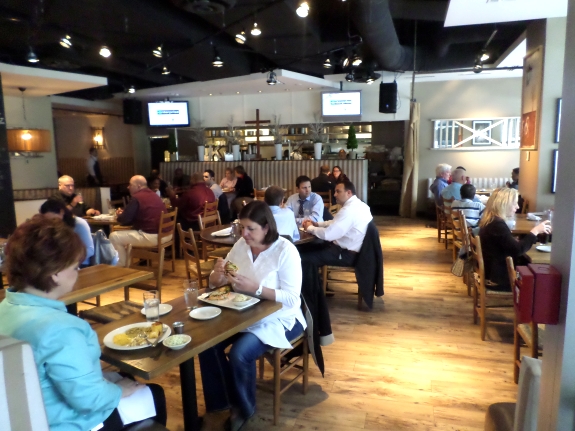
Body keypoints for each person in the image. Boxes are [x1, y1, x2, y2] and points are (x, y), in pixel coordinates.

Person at [0, 216, 167, 431]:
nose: (78, 272)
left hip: (17, 416)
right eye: (75, 267)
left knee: (124, 378)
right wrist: (119, 390)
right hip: (65, 422)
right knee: (153, 393)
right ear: (56, 272)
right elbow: (89, 399)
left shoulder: (5, 307)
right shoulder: (59, 328)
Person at [199, 201, 305, 430]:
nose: (244, 234)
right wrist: (216, 277)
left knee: (239, 353)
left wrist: (256, 289)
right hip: (241, 312)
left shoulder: (285, 251)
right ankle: (220, 402)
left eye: (250, 229)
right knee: (205, 344)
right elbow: (221, 281)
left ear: (266, 228)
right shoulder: (240, 245)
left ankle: (244, 408)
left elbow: (292, 299)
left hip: (280, 318)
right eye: (241, 227)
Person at [479, 188, 551, 291]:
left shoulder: (490, 220)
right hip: (499, 280)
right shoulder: (497, 225)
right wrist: (535, 231)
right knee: (540, 279)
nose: (517, 207)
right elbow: (518, 250)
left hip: (491, 274)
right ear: (504, 204)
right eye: (515, 204)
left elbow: (503, 244)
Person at [109, 175, 166, 266]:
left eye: (130, 185)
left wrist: (119, 215)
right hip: (166, 234)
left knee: (114, 236)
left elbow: (124, 220)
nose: (128, 187)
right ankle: (125, 262)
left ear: (138, 186)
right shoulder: (153, 194)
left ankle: (120, 265)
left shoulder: (137, 197)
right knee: (125, 235)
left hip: (152, 236)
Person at [40, 199, 94, 268]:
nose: (51, 222)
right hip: (59, 264)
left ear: (61, 212)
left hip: (80, 264)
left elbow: (90, 250)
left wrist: (68, 259)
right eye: (47, 220)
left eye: (53, 219)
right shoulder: (50, 226)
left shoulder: (79, 224)